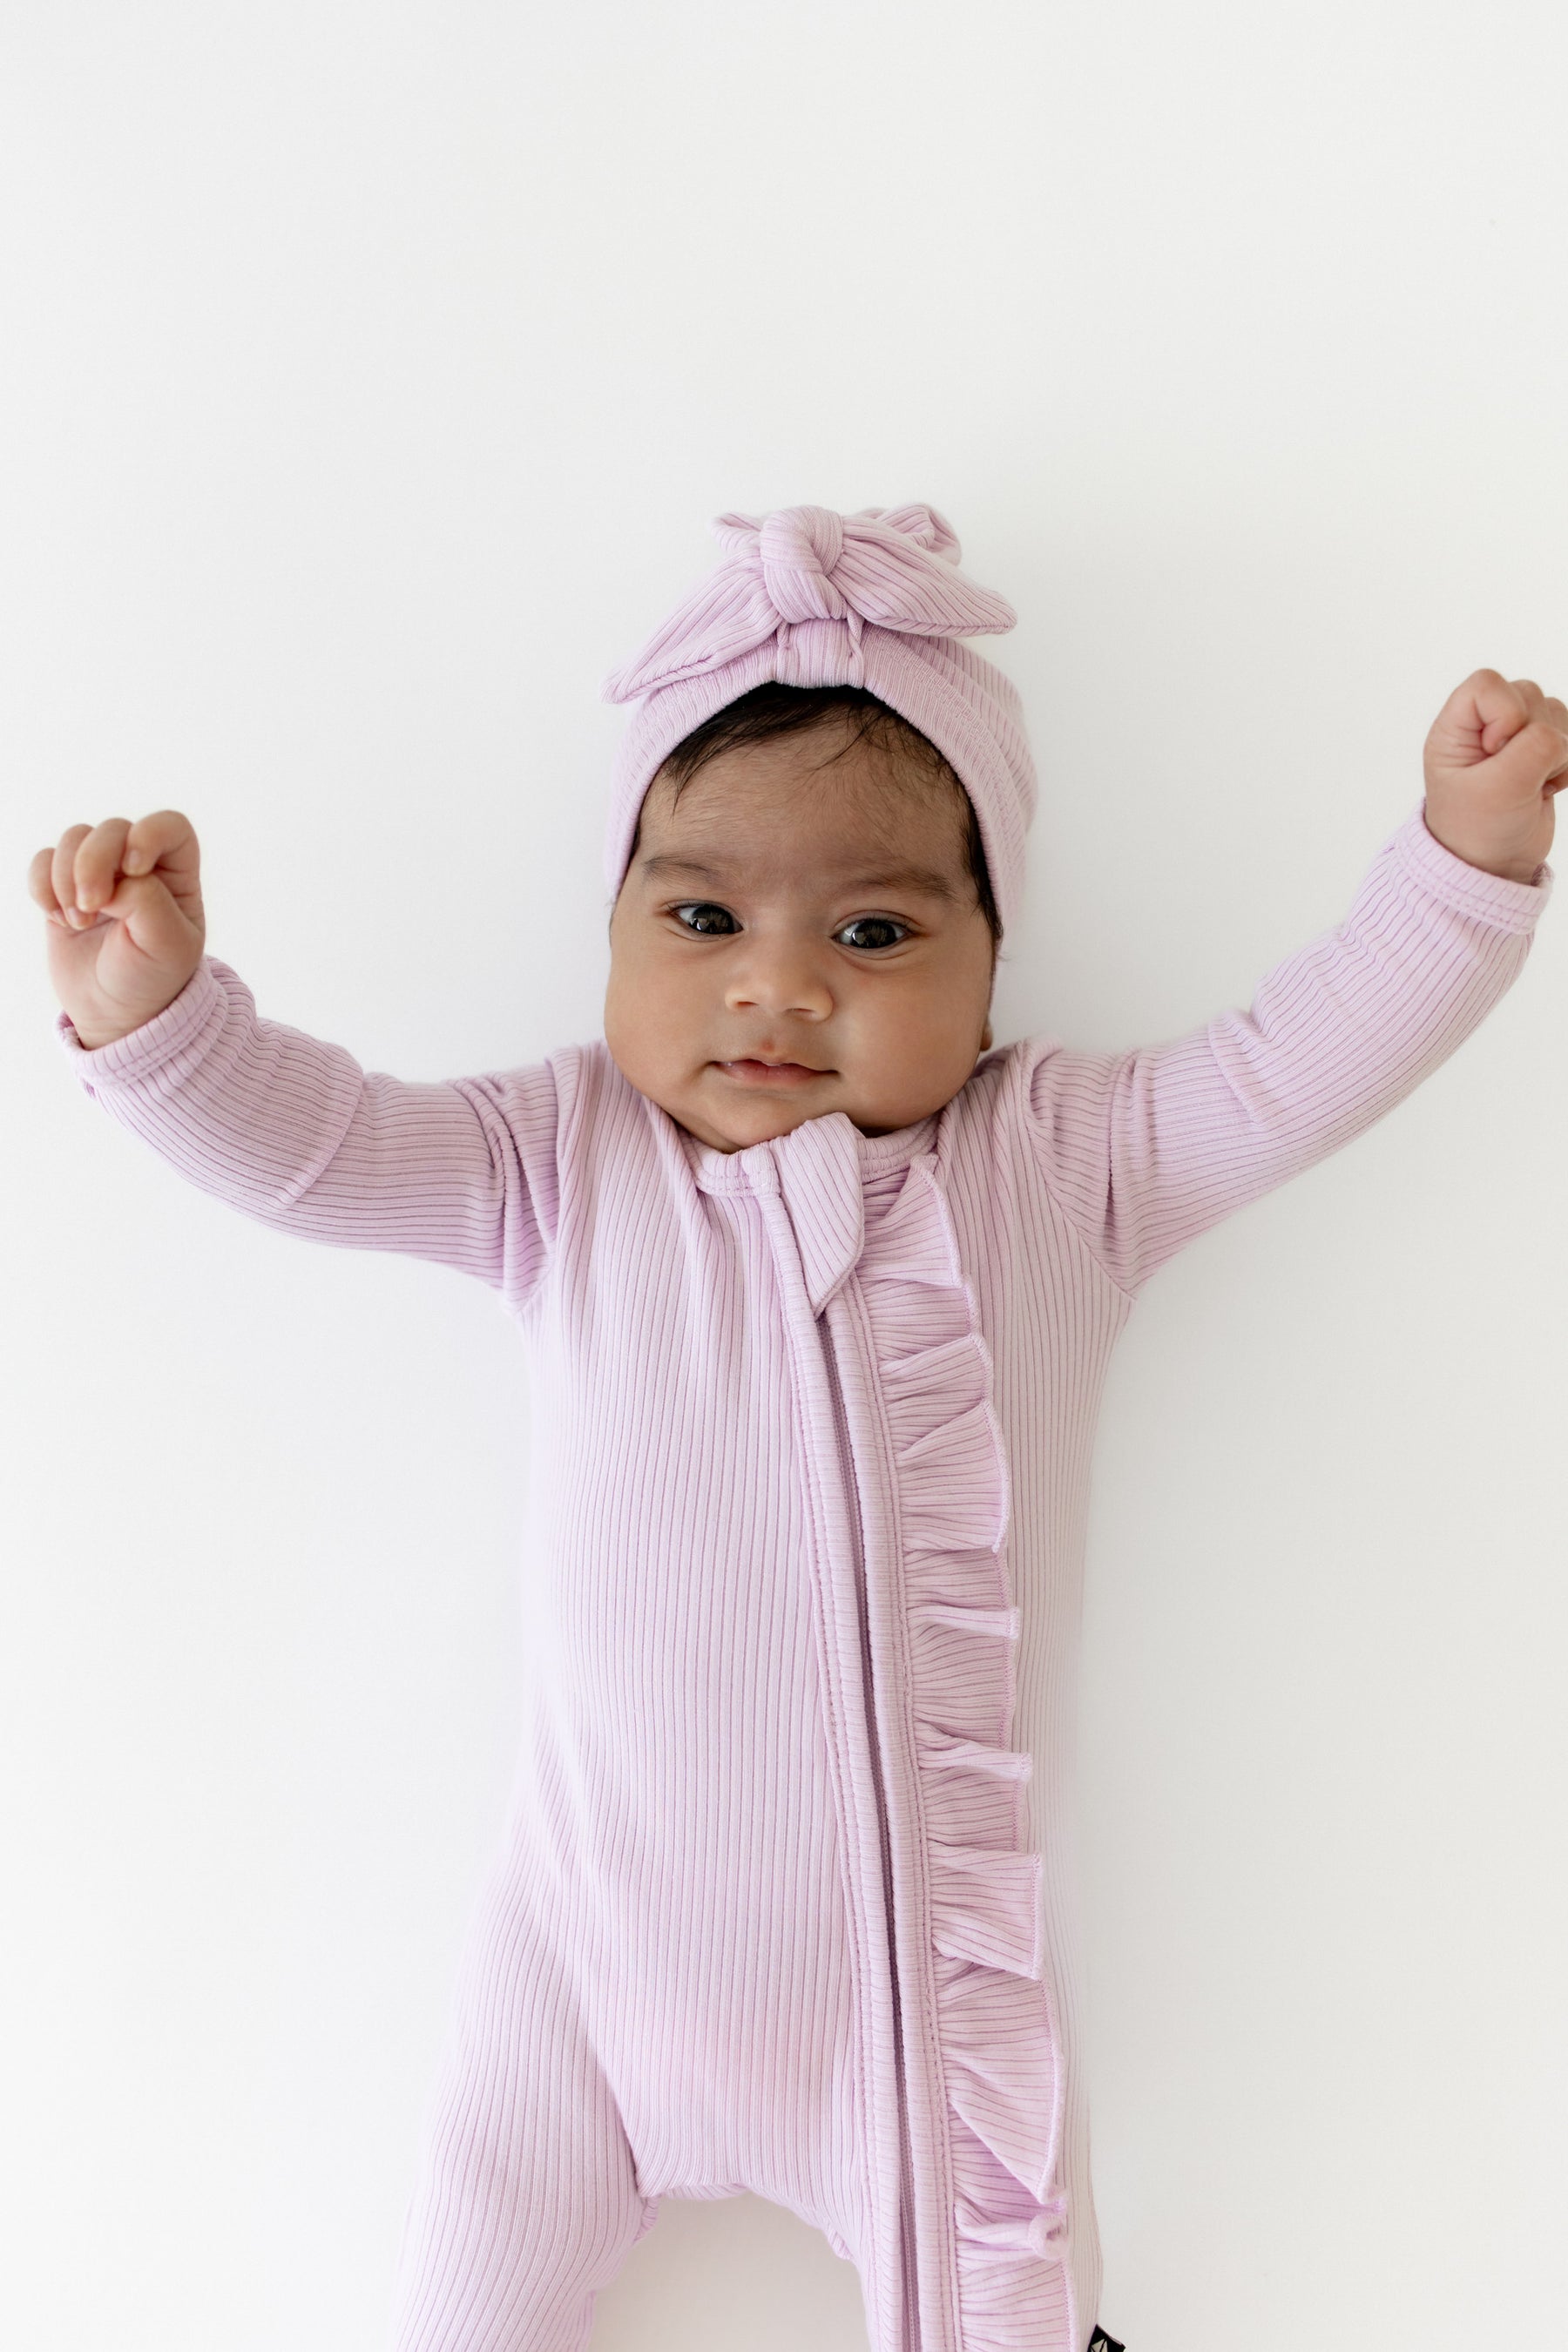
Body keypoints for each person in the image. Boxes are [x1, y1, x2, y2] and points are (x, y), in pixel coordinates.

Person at [30, 503, 1563, 2352]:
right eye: (700, 915)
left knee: (1006, 2306)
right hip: (580, 1977)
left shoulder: (1066, 1164)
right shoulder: (561, 1163)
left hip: (905, 2008)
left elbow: (1307, 1057)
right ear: (611, 928)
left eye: (873, 926)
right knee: (454, 2301)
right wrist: (158, 1016)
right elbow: (322, 1150)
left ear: (993, 965)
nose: (779, 981)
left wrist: (1463, 863)